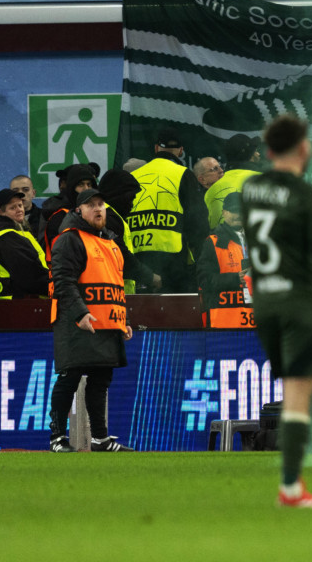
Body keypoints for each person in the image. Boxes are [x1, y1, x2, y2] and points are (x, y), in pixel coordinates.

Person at [240, 114, 312, 507]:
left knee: (291, 386)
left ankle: (291, 487)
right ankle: (291, 487)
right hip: (301, 303)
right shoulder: (309, 196)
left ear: (269, 151)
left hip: (265, 303)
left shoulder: (251, 190)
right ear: (304, 149)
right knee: (297, 396)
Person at [48, 188, 155, 452]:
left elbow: (115, 284)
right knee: (69, 377)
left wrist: (124, 319)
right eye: (91, 205)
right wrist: (80, 313)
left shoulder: (110, 241)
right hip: (78, 321)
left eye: (101, 204)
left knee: (100, 381)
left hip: (107, 323)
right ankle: (57, 438)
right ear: (79, 211)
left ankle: (100, 439)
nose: (98, 209)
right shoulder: (69, 240)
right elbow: (63, 281)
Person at [127, 127, 208, 292]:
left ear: (156, 148)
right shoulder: (184, 174)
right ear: (181, 151)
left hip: (137, 260)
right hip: (174, 264)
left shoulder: (134, 175)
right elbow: (197, 222)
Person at [196, 192, 251, 328]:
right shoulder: (212, 242)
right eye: (233, 211)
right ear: (224, 213)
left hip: (254, 322)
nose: (238, 215)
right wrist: (236, 278)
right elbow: (204, 281)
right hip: (222, 323)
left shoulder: (257, 240)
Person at [0, 188, 49, 298]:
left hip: (1, 301)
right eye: (12, 208)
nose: (19, 210)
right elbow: (29, 275)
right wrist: (54, 286)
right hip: (19, 303)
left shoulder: (8, 231)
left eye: (20, 205)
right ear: (1, 212)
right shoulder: (7, 236)